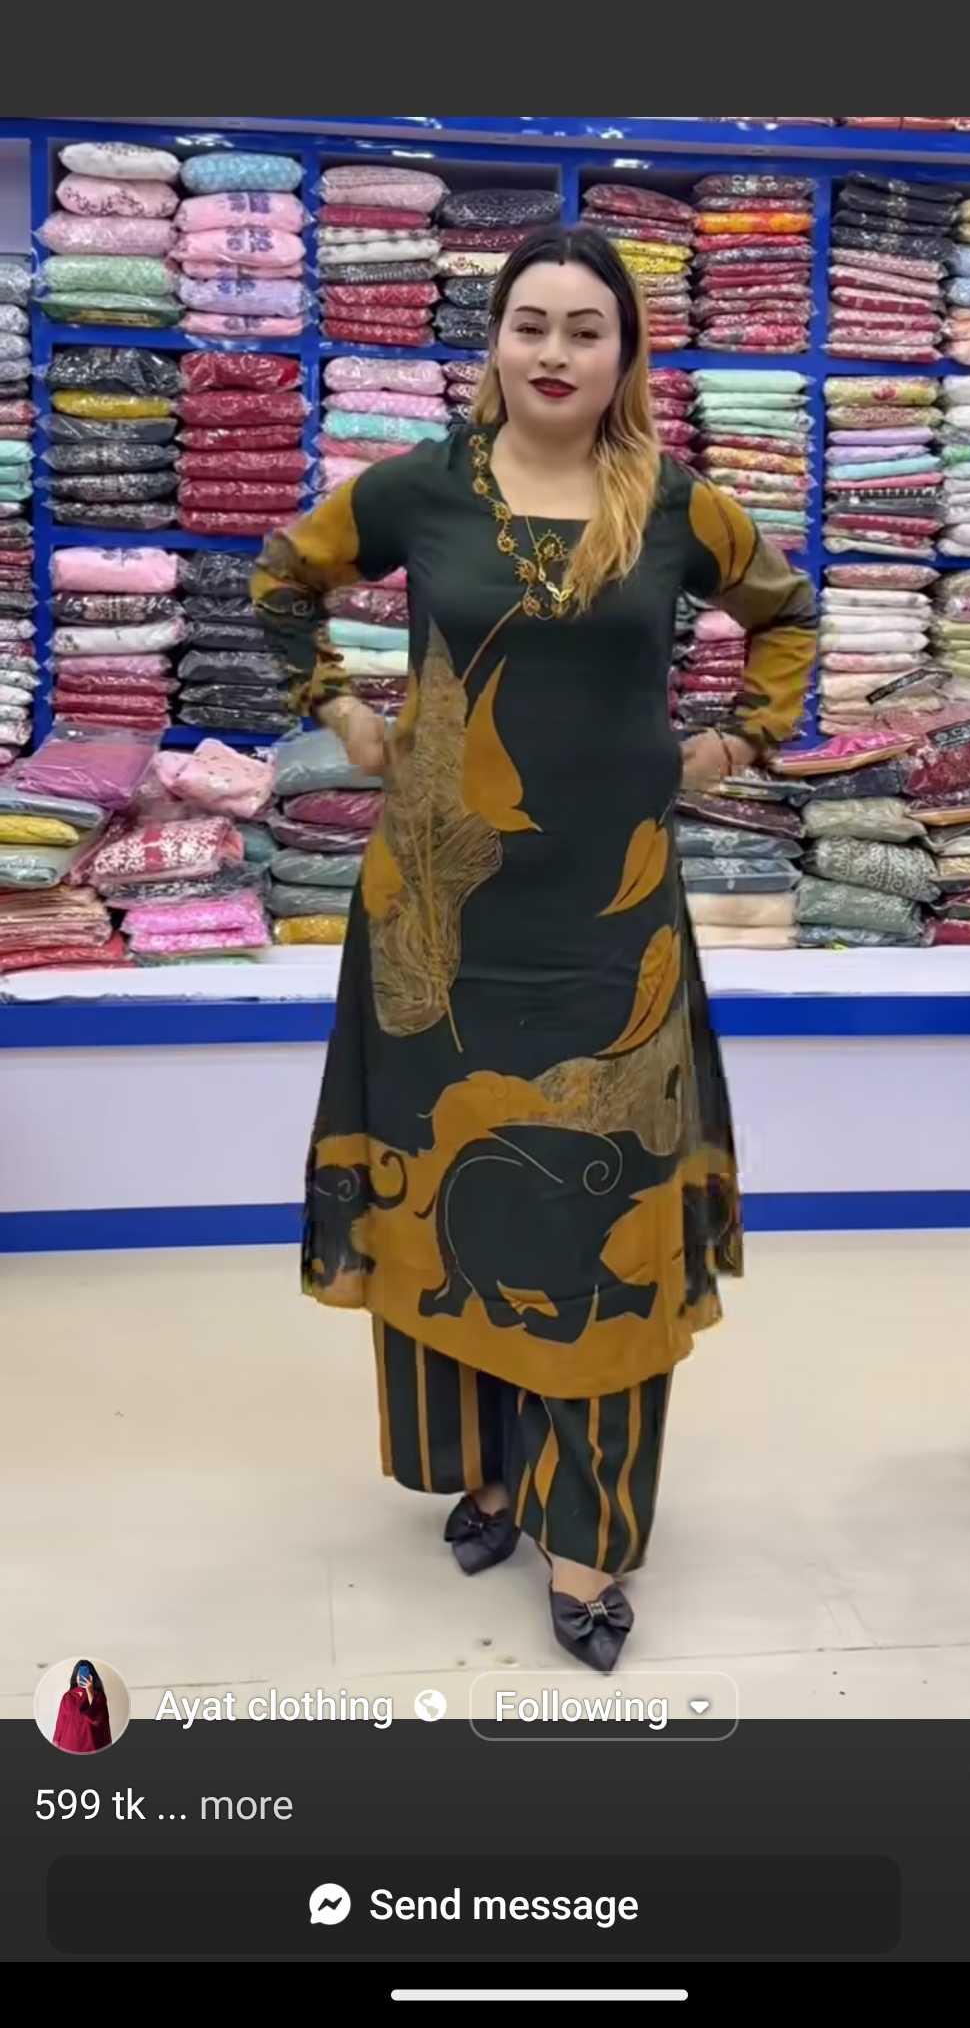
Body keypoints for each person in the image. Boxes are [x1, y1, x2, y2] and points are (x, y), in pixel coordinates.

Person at [252, 226, 816, 1673]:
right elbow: (281, 578)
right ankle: (494, 1476)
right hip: (436, 929)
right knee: (458, 1196)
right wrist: (347, 714)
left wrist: (731, 745)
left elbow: (787, 618)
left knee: (599, 1215)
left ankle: (590, 1534)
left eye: (586, 329)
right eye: (531, 325)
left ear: (627, 354)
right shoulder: (419, 491)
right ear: (494, 341)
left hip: (607, 931)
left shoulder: (679, 507)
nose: (555, 353)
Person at [52, 1661, 112, 1752]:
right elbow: (60, 1725)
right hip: (68, 1746)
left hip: (92, 1747)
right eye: (79, 1674)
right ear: (75, 1676)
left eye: (85, 1674)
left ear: (91, 1676)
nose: (82, 1677)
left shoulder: (99, 1696)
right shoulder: (67, 1696)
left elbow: (98, 1720)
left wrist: (90, 1692)